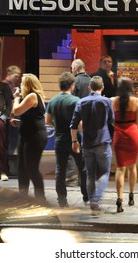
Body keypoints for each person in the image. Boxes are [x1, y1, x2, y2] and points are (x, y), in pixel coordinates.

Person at [70, 76, 114, 215]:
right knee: (104, 172)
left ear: (89, 88)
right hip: (103, 141)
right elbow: (112, 120)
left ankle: (92, 201)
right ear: (102, 87)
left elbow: (73, 125)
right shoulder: (107, 101)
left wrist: (74, 142)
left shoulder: (81, 102)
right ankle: (95, 199)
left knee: (90, 174)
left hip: (87, 143)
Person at [45, 72, 88, 207]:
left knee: (60, 169)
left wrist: (57, 126)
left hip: (59, 139)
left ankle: (62, 200)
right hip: (74, 139)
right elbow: (80, 123)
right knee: (82, 167)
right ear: (71, 85)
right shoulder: (76, 101)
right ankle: (86, 195)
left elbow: (47, 121)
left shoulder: (53, 101)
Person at [11, 73, 47, 202]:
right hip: (26, 135)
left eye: (22, 83)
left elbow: (16, 111)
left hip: (34, 136)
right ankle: (23, 195)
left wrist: (16, 98)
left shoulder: (32, 96)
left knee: (31, 168)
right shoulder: (32, 97)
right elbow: (32, 117)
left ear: (27, 84)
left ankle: (41, 198)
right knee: (21, 166)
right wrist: (19, 122)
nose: (20, 86)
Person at [110, 77, 138, 213]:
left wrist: (118, 125)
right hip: (132, 134)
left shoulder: (112, 101)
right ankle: (131, 195)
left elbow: (111, 120)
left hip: (118, 134)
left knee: (120, 168)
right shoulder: (136, 101)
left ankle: (119, 198)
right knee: (132, 166)